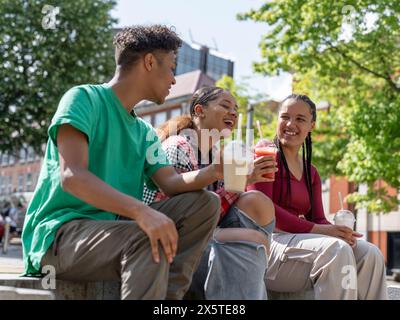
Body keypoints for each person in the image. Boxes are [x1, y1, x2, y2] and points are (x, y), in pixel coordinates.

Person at [22, 25, 226, 300]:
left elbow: (172, 182)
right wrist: (141, 212)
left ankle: (167, 300)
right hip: (60, 237)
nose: (174, 80)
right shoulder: (83, 99)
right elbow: (72, 176)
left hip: (113, 233)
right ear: (150, 62)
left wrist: (214, 171)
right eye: (171, 68)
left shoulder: (143, 132)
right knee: (145, 234)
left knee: (205, 203)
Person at [248, 94, 387, 300]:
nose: (290, 124)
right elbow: (264, 211)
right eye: (285, 116)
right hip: (269, 245)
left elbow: (318, 219)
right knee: (336, 249)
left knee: (370, 252)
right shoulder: (265, 157)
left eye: (300, 119)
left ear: (312, 125)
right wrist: (320, 230)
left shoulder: (310, 171)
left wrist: (340, 232)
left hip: (300, 243)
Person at [143, 86, 276, 299]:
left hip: (205, 230)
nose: (233, 112)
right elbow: (184, 212)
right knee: (251, 242)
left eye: (236, 109)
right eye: (225, 106)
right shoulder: (178, 146)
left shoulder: (216, 154)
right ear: (199, 110)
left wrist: (246, 180)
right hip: (175, 237)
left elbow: (216, 207)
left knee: (256, 201)